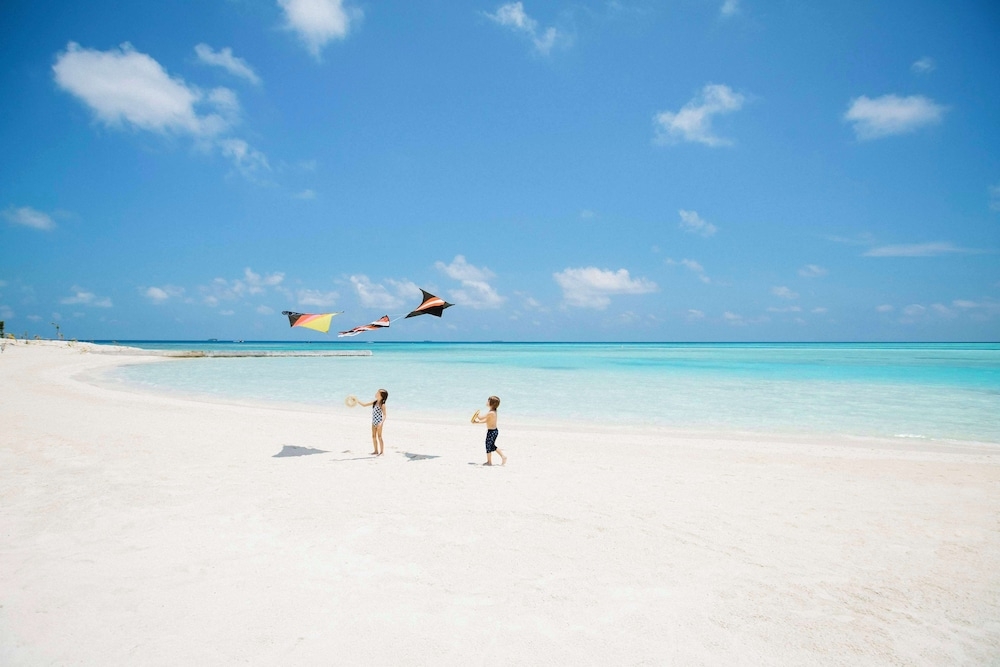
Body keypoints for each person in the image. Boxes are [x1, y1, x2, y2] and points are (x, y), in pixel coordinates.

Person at [472, 395, 506, 466]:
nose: (487, 401)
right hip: (493, 431)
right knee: (491, 446)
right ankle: (502, 457)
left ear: (492, 403)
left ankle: (489, 462)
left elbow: (481, 418)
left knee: (488, 446)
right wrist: (476, 422)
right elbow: (486, 421)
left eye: (488, 400)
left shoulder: (491, 413)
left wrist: (476, 414)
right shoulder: (492, 411)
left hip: (492, 432)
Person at [359, 389, 389, 456]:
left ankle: (382, 452)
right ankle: (376, 450)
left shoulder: (382, 404)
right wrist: (357, 401)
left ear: (381, 396)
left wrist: (381, 423)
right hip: (373, 421)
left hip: (379, 422)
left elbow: (384, 415)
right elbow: (364, 405)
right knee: (373, 436)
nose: (376, 393)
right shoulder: (375, 402)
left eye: (377, 393)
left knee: (379, 436)